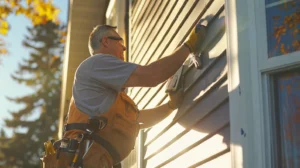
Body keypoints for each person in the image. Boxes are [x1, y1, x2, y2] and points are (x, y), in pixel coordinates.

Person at [43, 24, 206, 168]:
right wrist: (188, 47)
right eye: (120, 42)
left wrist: (170, 106)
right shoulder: (96, 63)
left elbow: (137, 120)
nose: (124, 48)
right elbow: (151, 76)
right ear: (105, 41)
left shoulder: (103, 96)